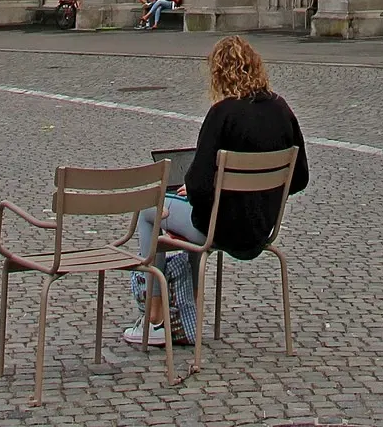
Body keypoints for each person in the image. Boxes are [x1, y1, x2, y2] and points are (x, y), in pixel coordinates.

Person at [127, 35, 308, 346]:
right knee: (193, 209)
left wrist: (196, 190)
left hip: (221, 229)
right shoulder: (281, 109)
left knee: (149, 213)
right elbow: (300, 177)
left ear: (219, 74)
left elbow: (198, 186)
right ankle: (186, 317)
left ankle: (154, 319)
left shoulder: (222, 113)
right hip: (263, 228)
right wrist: (259, 193)